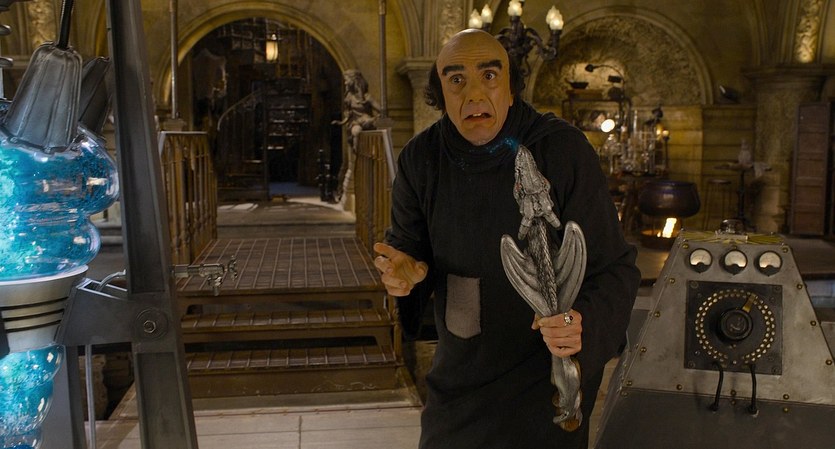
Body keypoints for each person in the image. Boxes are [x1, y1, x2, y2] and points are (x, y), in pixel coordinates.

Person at [373, 29, 641, 448]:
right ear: (440, 93)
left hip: (547, 374)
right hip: (463, 373)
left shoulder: (562, 150)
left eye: (489, 76)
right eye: (456, 79)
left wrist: (582, 327)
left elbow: (614, 269)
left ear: (512, 88)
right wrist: (404, 273)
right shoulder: (421, 158)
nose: (474, 94)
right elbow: (407, 248)